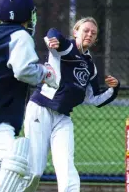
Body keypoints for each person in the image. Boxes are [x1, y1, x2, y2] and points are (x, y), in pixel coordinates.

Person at [23, 17, 120, 192]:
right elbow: (53, 33)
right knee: (34, 172)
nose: (89, 34)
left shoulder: (91, 66)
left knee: (68, 173)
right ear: (75, 32)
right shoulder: (66, 47)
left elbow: (94, 98)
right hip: (41, 110)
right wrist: (51, 39)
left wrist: (114, 89)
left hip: (63, 118)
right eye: (85, 30)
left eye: (93, 33)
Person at [0, 0, 58, 192]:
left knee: (20, 164)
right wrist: (46, 73)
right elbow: (23, 70)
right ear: (29, 17)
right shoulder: (20, 36)